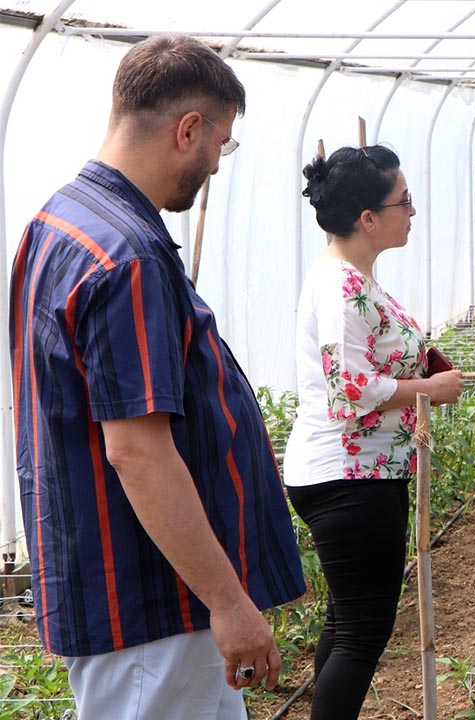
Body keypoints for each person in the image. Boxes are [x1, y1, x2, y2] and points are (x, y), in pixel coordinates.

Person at [8, 34, 306, 719]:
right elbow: (137, 449)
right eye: (220, 145)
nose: (216, 166)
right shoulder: (127, 256)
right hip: (150, 606)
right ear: (187, 129)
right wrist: (229, 603)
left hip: (119, 590)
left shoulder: (61, 221)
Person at [284, 145, 464, 719]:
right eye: (403, 201)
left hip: (356, 474)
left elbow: (368, 361)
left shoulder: (352, 279)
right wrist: (428, 391)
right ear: (368, 217)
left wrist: (420, 363)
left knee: (348, 621)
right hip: (349, 478)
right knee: (363, 633)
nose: (412, 212)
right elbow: (350, 388)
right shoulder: (343, 285)